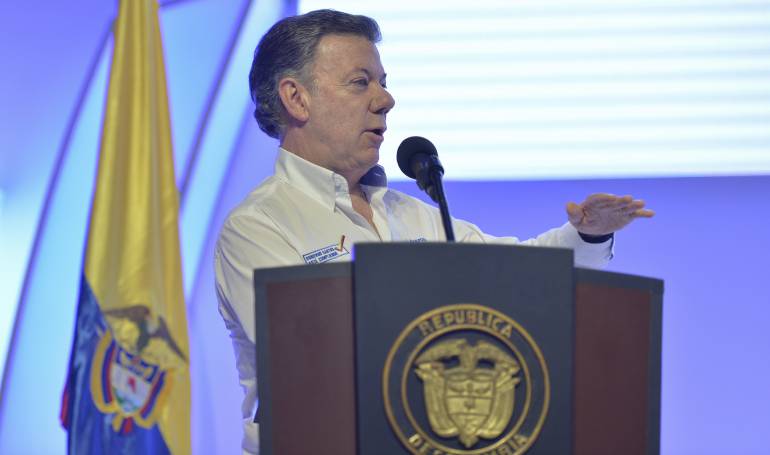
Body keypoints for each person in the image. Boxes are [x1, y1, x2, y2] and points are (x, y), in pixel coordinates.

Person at [214, 9, 654, 454]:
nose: (385, 99)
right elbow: (310, 354)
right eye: (360, 81)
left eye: (384, 81)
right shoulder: (258, 227)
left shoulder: (417, 216)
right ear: (296, 98)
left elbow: (521, 275)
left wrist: (588, 235)